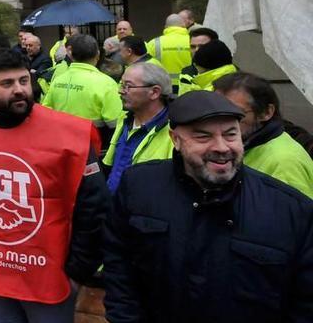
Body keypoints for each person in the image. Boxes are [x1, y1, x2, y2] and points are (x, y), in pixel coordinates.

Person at [103, 90, 313, 323]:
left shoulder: (290, 209)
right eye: (204, 137)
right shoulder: (139, 187)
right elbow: (119, 263)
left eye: (231, 135)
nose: (222, 147)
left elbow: (305, 301)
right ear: (175, 139)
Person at [0, 50, 108, 323]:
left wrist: (79, 269)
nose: (19, 90)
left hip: (47, 277)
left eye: (23, 81)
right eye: (7, 84)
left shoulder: (70, 134)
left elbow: (96, 206)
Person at [214, 72, 313, 198]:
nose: (221, 121)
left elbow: (293, 215)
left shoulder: (283, 163)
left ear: (266, 112)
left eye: (235, 113)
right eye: (215, 111)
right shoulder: (247, 145)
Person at [103, 63, 173, 193]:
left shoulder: (173, 133)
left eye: (128, 86)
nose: (120, 91)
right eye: (121, 84)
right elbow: (111, 167)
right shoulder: (124, 120)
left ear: (154, 92)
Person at [43, 34, 122, 147]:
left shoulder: (57, 81)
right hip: (94, 148)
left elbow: (46, 112)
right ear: (98, 54)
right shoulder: (107, 83)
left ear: (71, 55)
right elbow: (116, 123)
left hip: (63, 145)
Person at [146, 14, 191, 91]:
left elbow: (146, 68)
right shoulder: (193, 42)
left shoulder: (154, 43)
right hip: (189, 85)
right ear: (183, 25)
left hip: (163, 87)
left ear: (166, 27)